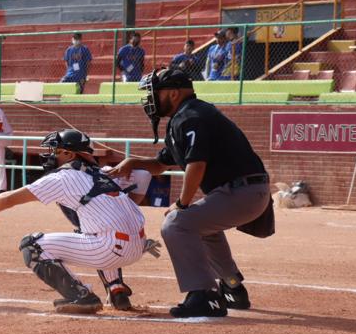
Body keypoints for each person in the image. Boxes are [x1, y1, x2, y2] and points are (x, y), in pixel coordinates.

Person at [110, 68, 271, 318]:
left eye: (155, 92)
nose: (150, 98)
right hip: (247, 191)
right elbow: (161, 164)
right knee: (201, 226)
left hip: (242, 192)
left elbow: (196, 165)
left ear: (173, 93)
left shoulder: (191, 117)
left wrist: (182, 204)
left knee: (176, 224)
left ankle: (204, 295)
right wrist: (133, 162)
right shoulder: (185, 117)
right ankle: (232, 287)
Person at [0, 129, 148, 314]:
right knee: (90, 229)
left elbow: (10, 198)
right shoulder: (104, 172)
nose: (50, 156)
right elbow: (143, 174)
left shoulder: (63, 177)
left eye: (55, 151)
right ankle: (117, 289)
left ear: (69, 154)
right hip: (139, 245)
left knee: (32, 246)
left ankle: (82, 296)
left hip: (111, 248)